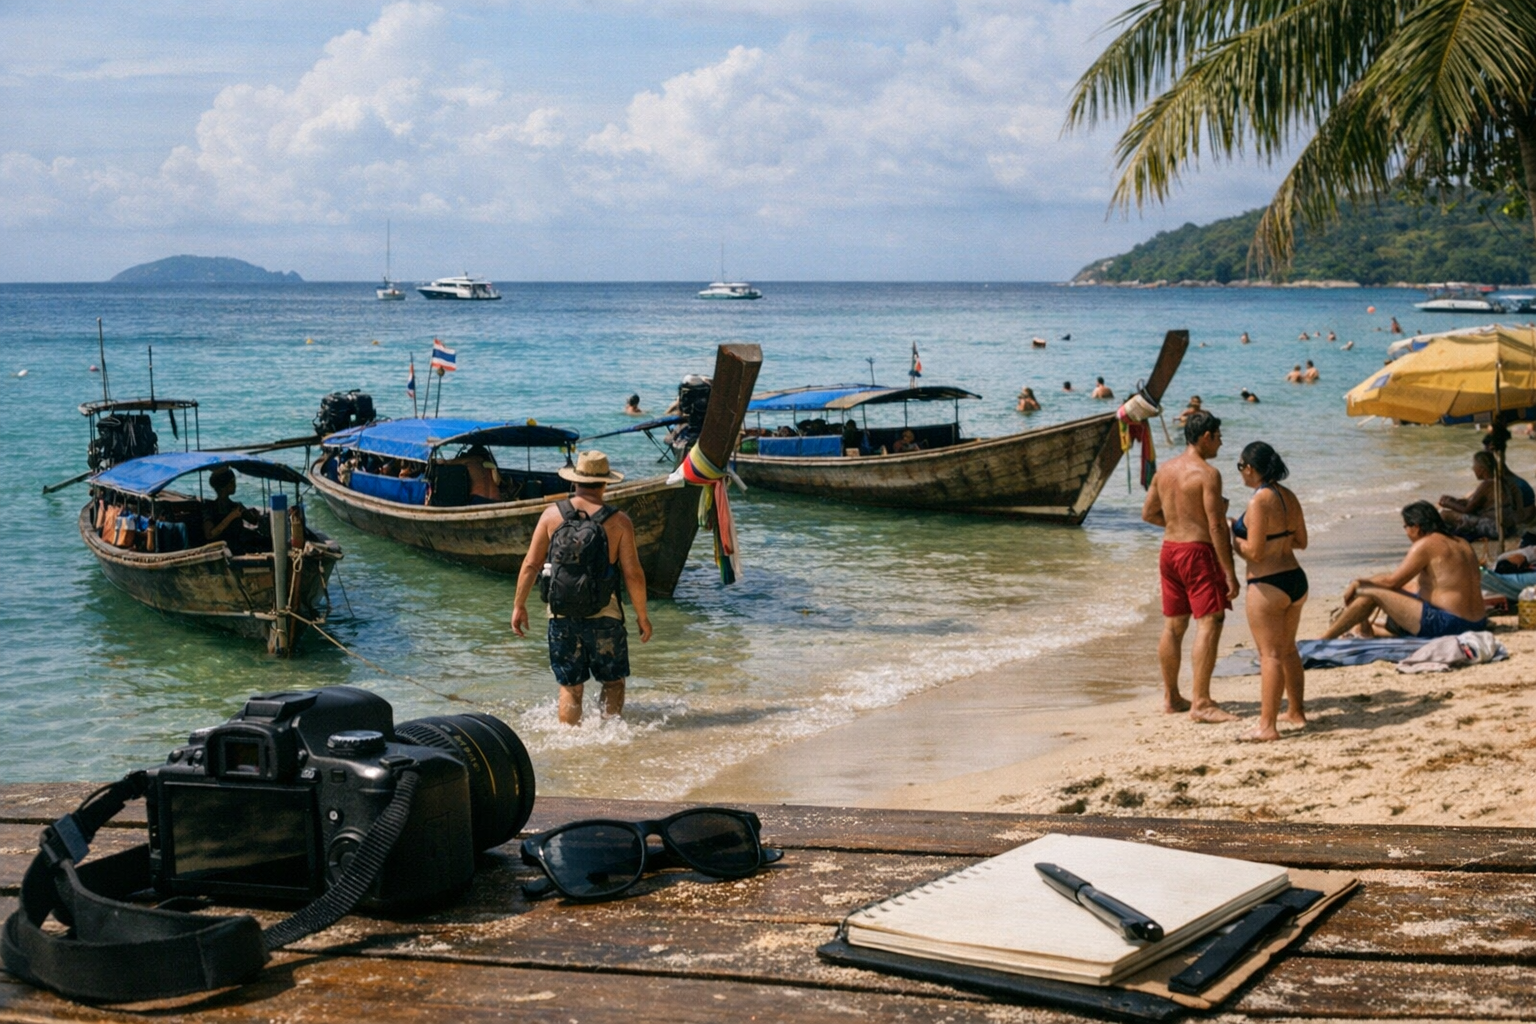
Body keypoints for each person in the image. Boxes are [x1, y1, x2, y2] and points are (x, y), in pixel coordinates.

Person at [511, 450, 652, 726]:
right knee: (613, 682)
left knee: (571, 687)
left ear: (575, 481)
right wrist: (642, 616)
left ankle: (569, 745)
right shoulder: (619, 521)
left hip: (561, 615)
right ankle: (610, 737)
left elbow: (531, 564)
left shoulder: (551, 515)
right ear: (605, 483)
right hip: (605, 616)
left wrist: (519, 605)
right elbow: (633, 574)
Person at [1142, 410, 1240, 721]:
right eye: (1218, 437)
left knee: (1174, 625)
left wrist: (1179, 524)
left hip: (1170, 551)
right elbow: (1216, 527)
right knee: (1211, 621)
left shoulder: (1165, 471)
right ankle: (1201, 702)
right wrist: (1230, 572)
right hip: (1197, 553)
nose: (1221, 443)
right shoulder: (1207, 474)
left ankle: (1172, 697)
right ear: (1206, 437)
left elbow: (1148, 514)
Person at [1231, 442, 1308, 741]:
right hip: (1295, 579)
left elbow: (1256, 553)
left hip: (1267, 583)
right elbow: (1301, 541)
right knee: (1288, 649)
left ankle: (1267, 726)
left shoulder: (1258, 501)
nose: (1240, 474)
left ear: (1250, 468)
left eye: (1240, 467)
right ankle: (1297, 712)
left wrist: (1231, 537)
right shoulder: (1288, 496)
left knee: (1270, 655)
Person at [1321, 501, 1487, 639]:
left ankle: (1324, 638)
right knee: (1384, 587)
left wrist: (1357, 583)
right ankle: (1362, 629)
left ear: (1416, 526)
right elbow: (1426, 585)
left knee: (1370, 591)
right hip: (1478, 622)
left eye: (1405, 527)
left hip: (1450, 624)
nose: (1406, 533)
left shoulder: (1426, 544)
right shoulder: (1462, 543)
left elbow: (1392, 582)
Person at [1439, 450, 1529, 539]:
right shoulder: (1501, 481)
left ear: (1482, 469)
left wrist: (1448, 503)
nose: (1473, 468)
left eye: (1474, 465)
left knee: (1445, 514)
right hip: (1509, 527)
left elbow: (1467, 510)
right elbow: (1477, 504)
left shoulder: (1487, 484)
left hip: (1495, 528)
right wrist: (1454, 501)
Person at [202, 466, 264, 553]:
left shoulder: (236, 506)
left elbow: (253, 521)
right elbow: (210, 535)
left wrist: (254, 513)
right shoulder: (210, 507)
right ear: (226, 485)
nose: (235, 485)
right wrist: (231, 516)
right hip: (221, 551)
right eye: (233, 482)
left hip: (239, 548)